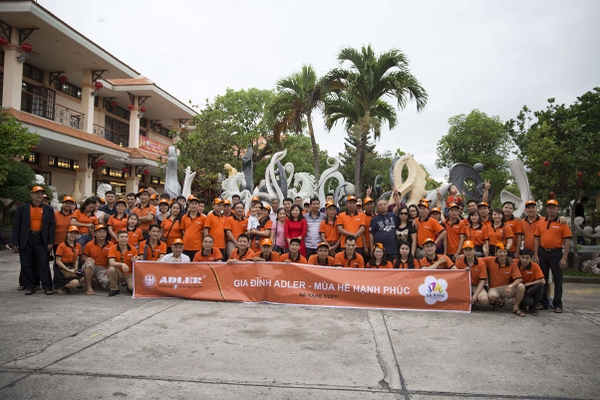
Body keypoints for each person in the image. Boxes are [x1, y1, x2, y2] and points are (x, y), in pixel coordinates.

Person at [12, 186, 56, 295]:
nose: (39, 196)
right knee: (26, 263)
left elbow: (52, 226)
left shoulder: (48, 209)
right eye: (37, 193)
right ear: (32, 195)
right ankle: (29, 286)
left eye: (41, 194)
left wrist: (50, 241)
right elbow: (16, 226)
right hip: (26, 238)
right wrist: (15, 242)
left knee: (43, 262)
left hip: (41, 238)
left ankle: (47, 286)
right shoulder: (22, 209)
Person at [534, 199, 571, 313]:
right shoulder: (541, 222)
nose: (551, 209)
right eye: (549, 207)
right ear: (546, 209)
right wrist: (536, 254)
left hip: (556, 253)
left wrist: (564, 258)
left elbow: (567, 241)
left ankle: (557, 303)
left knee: (558, 279)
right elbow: (536, 239)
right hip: (543, 252)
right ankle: (543, 302)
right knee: (543, 279)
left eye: (553, 207)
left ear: (557, 209)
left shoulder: (562, 222)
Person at [484, 243, 526, 316]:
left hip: (507, 286)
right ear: (496, 253)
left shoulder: (512, 263)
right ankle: (496, 302)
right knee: (492, 297)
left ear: (507, 253)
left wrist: (510, 286)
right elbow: (476, 259)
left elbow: (519, 279)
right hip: (494, 288)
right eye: (500, 252)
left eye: (504, 252)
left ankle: (516, 307)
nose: (502, 254)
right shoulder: (490, 260)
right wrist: (463, 255)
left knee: (521, 286)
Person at [454, 240, 488, 306]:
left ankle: (474, 302)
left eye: (470, 249)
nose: (468, 252)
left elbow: (482, 281)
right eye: (466, 250)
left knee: (484, 300)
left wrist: (475, 296)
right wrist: (463, 272)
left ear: (474, 250)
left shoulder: (481, 263)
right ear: (463, 251)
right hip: (463, 285)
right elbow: (455, 277)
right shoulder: (459, 261)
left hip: (476, 285)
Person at [82, 224, 111, 295]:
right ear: (95, 233)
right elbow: (83, 257)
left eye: (104, 232)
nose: (102, 234)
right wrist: (87, 258)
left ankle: (96, 281)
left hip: (103, 268)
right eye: (99, 232)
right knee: (89, 263)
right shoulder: (89, 244)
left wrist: (109, 268)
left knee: (108, 282)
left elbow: (113, 258)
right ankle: (89, 287)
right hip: (93, 266)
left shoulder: (111, 245)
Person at [53, 225, 83, 294]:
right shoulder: (62, 245)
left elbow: (77, 259)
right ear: (67, 233)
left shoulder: (78, 245)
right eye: (71, 233)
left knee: (83, 278)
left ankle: (69, 287)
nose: (73, 235)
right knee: (75, 282)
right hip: (62, 267)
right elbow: (58, 261)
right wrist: (69, 270)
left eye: (75, 234)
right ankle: (61, 286)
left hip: (71, 266)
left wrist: (75, 268)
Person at [107, 230, 138, 296]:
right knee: (111, 269)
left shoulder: (133, 249)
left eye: (126, 237)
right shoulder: (112, 248)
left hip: (129, 273)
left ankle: (128, 287)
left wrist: (136, 259)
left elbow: (136, 261)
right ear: (117, 239)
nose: (124, 239)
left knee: (133, 288)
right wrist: (122, 264)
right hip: (118, 272)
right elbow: (111, 262)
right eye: (122, 237)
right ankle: (114, 289)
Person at [370, 199, 400, 263]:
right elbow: (371, 234)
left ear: (387, 205)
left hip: (393, 248)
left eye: (384, 204)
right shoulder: (374, 219)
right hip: (379, 250)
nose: (383, 206)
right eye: (380, 205)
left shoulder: (393, 216)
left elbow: (399, 208)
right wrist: (372, 249)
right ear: (377, 208)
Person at [517, 248, 545, 315]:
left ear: (531, 259)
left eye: (527, 258)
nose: (524, 260)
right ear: (519, 257)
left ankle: (533, 307)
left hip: (529, 287)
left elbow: (542, 281)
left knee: (540, 287)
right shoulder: (514, 263)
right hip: (518, 287)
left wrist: (529, 284)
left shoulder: (535, 266)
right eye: (523, 257)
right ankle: (522, 305)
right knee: (528, 301)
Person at [180, 196, 205, 260]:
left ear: (198, 205)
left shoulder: (203, 218)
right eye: (192, 204)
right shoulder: (184, 217)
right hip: (186, 246)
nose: (194, 206)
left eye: (195, 204)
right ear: (189, 205)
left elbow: (204, 232)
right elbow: (183, 230)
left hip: (197, 246)